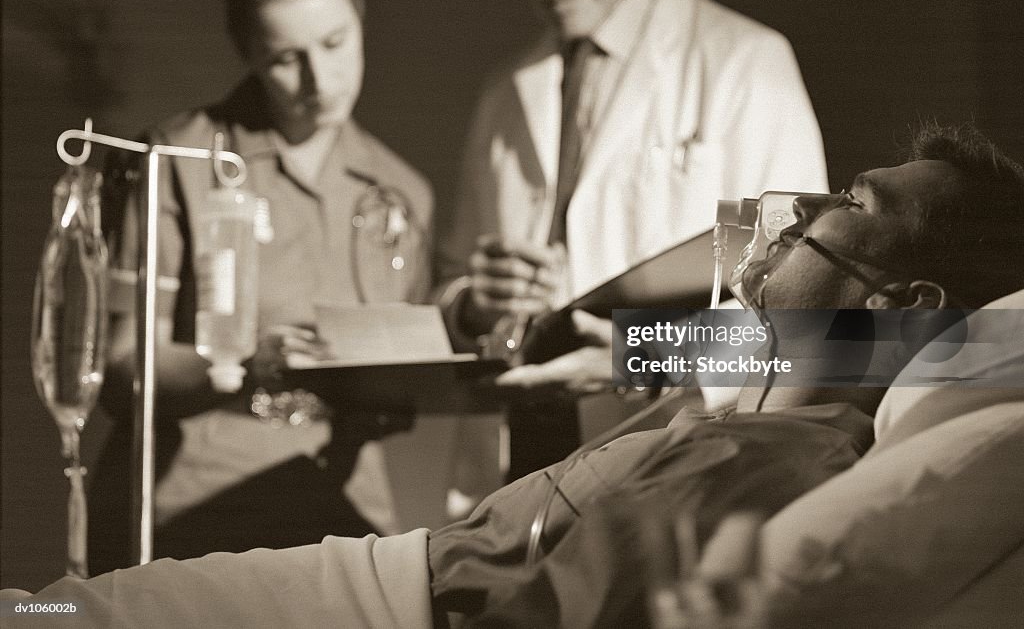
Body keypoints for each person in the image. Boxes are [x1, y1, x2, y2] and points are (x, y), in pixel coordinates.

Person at [14, 124, 1023, 627]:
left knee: (58, 614)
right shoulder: (768, 376)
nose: (796, 207)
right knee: (54, 607)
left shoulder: (772, 457)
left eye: (849, 196)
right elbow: (777, 340)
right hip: (415, 557)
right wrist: (607, 342)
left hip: (404, 590)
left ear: (905, 301)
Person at [437, 0, 828, 476]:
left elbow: (801, 309)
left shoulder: (745, 65)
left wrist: (636, 355)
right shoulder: (505, 94)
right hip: (520, 462)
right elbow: (448, 285)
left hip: (674, 455)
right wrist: (476, 301)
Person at [87, 0, 434, 574]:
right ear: (247, 50)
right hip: (193, 519)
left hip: (340, 528)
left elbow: (396, 395)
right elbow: (123, 369)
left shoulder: (400, 191)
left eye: (335, 43)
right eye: (285, 59)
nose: (319, 81)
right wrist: (242, 362)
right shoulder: (178, 159)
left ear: (360, 13)